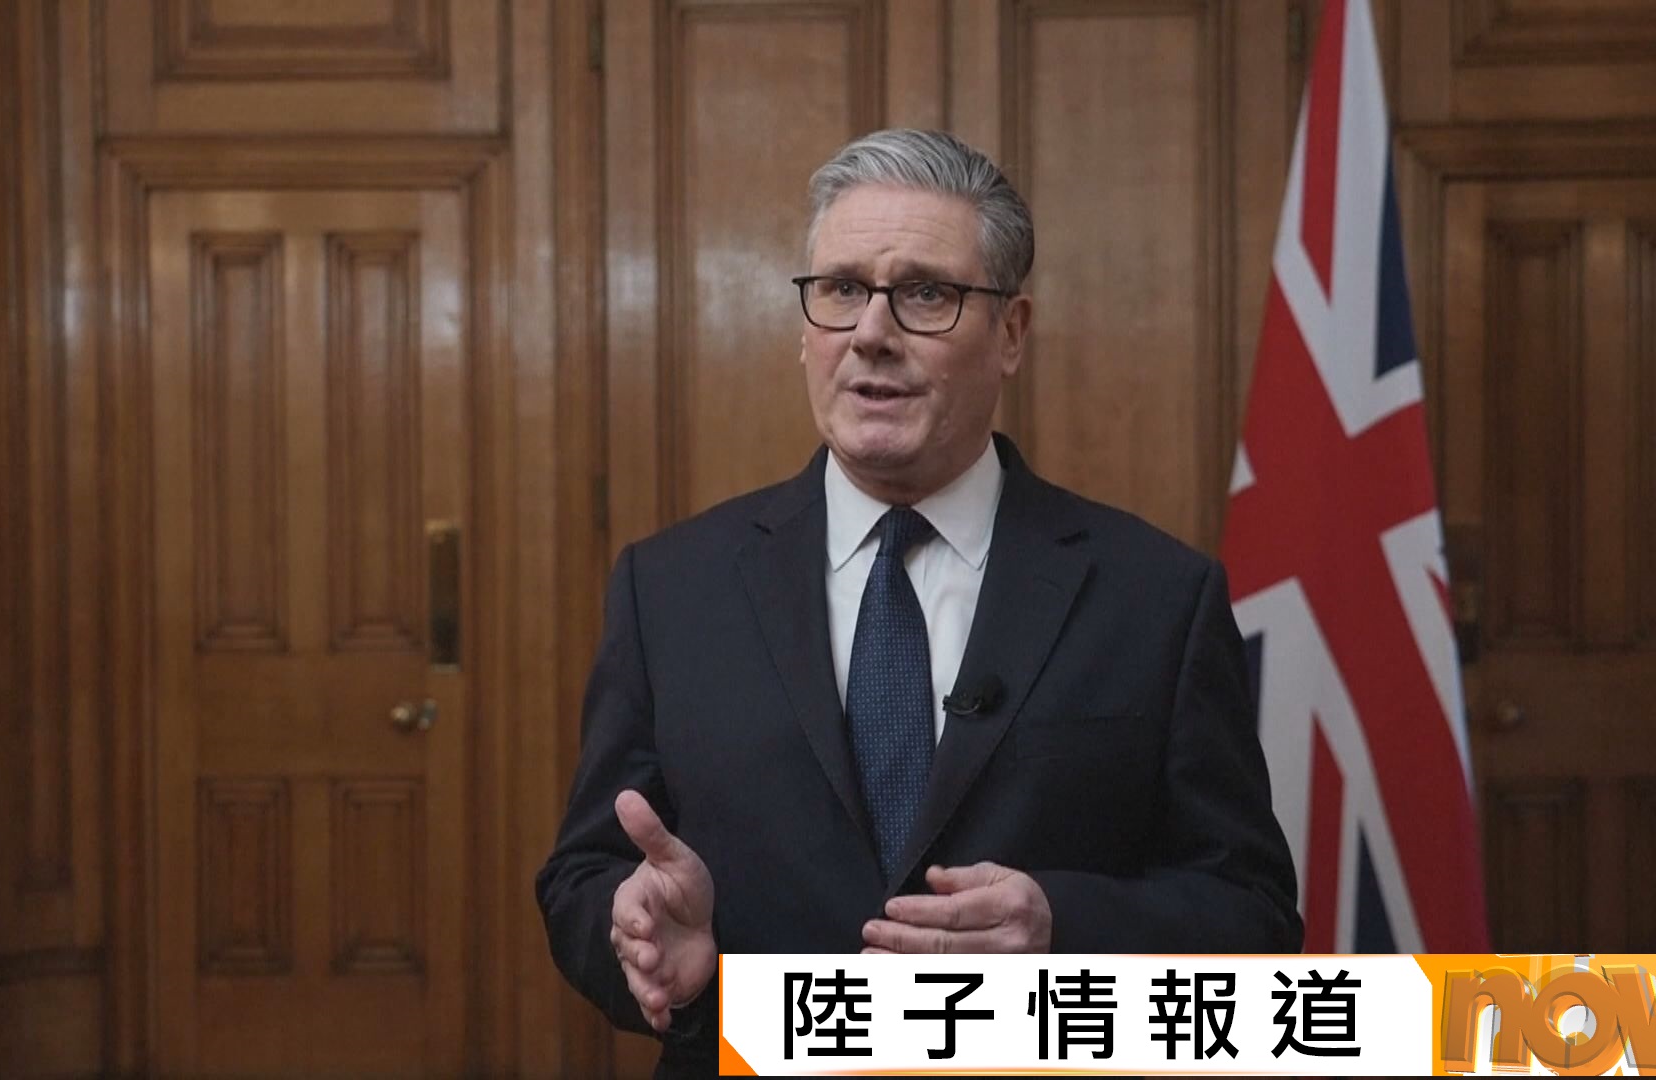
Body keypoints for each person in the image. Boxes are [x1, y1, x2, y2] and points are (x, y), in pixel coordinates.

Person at [536, 128, 1301, 1076]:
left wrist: (1063, 931)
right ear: (807, 328)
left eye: (927, 294)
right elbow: (583, 876)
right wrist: (648, 947)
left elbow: (1252, 914)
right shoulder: (670, 588)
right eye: (841, 289)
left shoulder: (1157, 597)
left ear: (1011, 333)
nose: (871, 332)